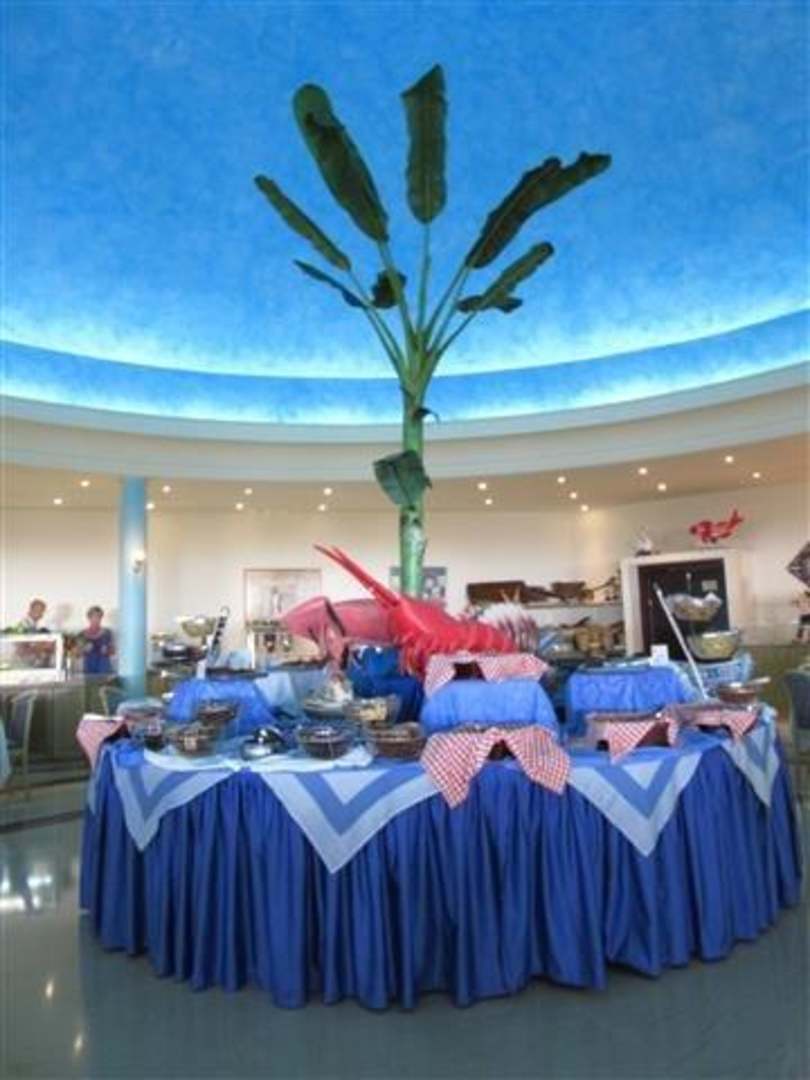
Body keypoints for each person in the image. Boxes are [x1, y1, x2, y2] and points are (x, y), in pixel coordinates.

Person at [78, 606, 115, 675]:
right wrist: (84, 649)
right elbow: (77, 653)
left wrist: (107, 650)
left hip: (103, 669)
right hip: (89, 668)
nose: (96, 619)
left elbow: (113, 651)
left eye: (99, 616)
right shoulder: (82, 634)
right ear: (89, 618)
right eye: (94, 616)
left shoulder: (107, 633)